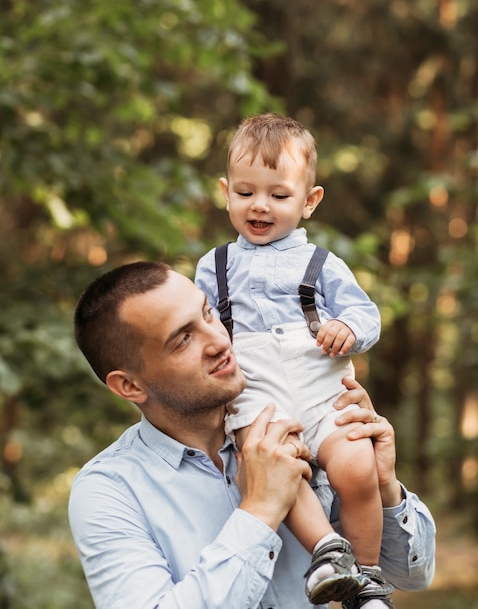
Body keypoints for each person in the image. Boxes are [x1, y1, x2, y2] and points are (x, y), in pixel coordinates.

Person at [69, 260, 436, 609]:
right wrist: (260, 510)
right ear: (129, 385)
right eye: (183, 339)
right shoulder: (109, 490)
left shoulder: (304, 427)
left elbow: (410, 575)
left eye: (208, 313)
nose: (219, 340)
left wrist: (384, 484)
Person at [195, 113, 386, 605]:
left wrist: (348, 329)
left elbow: (365, 314)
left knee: (358, 468)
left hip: (322, 388)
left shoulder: (322, 262)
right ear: (226, 191)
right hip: (256, 392)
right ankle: (328, 550)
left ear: (309, 201)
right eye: (245, 192)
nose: (260, 206)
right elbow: (202, 330)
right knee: (274, 467)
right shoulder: (212, 266)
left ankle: (365, 582)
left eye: (279, 195)